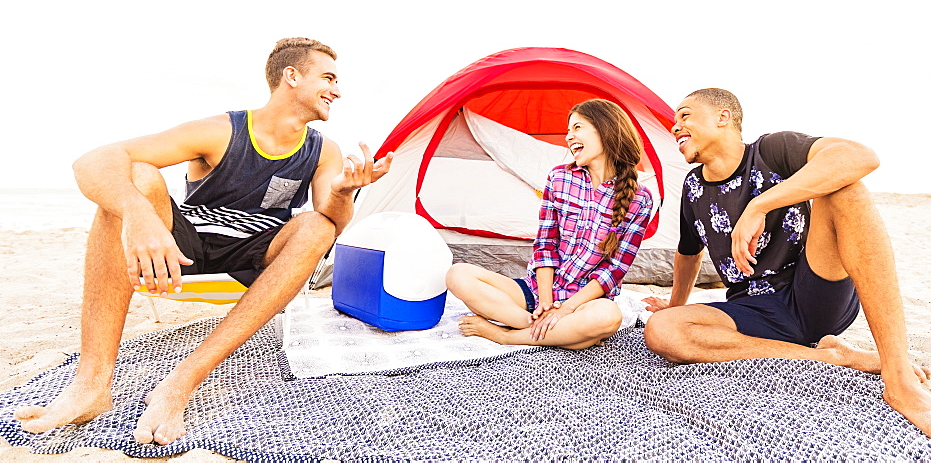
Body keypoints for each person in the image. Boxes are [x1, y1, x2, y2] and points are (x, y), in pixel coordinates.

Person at [15, 37, 393, 446]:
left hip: (258, 254)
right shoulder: (220, 131)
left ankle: (180, 383)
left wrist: (341, 194)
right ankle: (91, 383)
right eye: (328, 78)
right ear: (292, 76)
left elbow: (332, 223)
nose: (337, 90)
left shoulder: (324, 151)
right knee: (137, 175)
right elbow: (93, 161)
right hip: (186, 243)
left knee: (317, 226)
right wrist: (139, 214)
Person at [642, 88, 931, 448]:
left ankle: (899, 377)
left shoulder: (772, 151)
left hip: (813, 291)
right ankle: (831, 357)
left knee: (844, 189)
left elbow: (859, 156)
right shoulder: (693, 187)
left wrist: (759, 206)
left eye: (684, 115)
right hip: (753, 310)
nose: (674, 126)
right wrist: (676, 303)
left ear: (723, 117)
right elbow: (689, 252)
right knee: (662, 330)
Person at [446, 98, 653, 349]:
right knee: (458, 274)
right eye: (568, 130)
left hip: (582, 304)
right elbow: (545, 245)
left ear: (606, 129)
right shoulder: (559, 178)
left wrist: (565, 309)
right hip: (535, 293)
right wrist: (546, 304)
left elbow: (615, 269)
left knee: (607, 316)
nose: (568, 137)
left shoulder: (640, 199)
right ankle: (548, 330)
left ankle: (508, 336)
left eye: (577, 128)